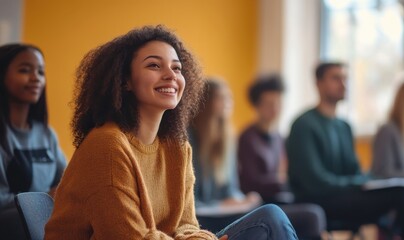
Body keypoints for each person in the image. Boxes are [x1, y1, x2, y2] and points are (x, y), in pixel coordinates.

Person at [44, 25, 297, 240]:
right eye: (154, 65)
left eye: (176, 68)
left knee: (271, 215)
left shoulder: (177, 147)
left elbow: (186, 226)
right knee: (269, 220)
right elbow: (128, 237)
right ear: (125, 82)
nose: (170, 75)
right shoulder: (107, 144)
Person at [287, 62, 404, 240]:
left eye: (345, 78)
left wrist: (363, 181)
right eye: (336, 78)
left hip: (345, 195)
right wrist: (356, 183)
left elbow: (354, 171)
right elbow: (315, 183)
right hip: (319, 199)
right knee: (401, 194)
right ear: (318, 83)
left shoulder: (344, 126)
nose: (343, 84)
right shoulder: (303, 125)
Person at [238, 74, 327, 240]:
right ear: (257, 105)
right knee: (313, 215)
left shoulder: (279, 137)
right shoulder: (248, 137)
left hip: (281, 199)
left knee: (316, 206)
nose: (275, 108)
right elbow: (249, 183)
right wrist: (283, 181)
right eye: (269, 104)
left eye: (278, 103)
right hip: (260, 205)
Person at [0, 43, 67, 240]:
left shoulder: (46, 133)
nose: (35, 78)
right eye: (24, 70)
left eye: (40, 71)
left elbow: (68, 180)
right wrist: (43, 198)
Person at [189, 78, 262, 232]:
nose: (228, 102)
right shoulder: (189, 138)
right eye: (221, 97)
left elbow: (231, 189)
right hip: (198, 217)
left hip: (223, 213)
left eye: (229, 97)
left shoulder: (228, 139)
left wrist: (241, 199)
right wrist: (221, 205)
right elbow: (189, 201)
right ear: (206, 102)